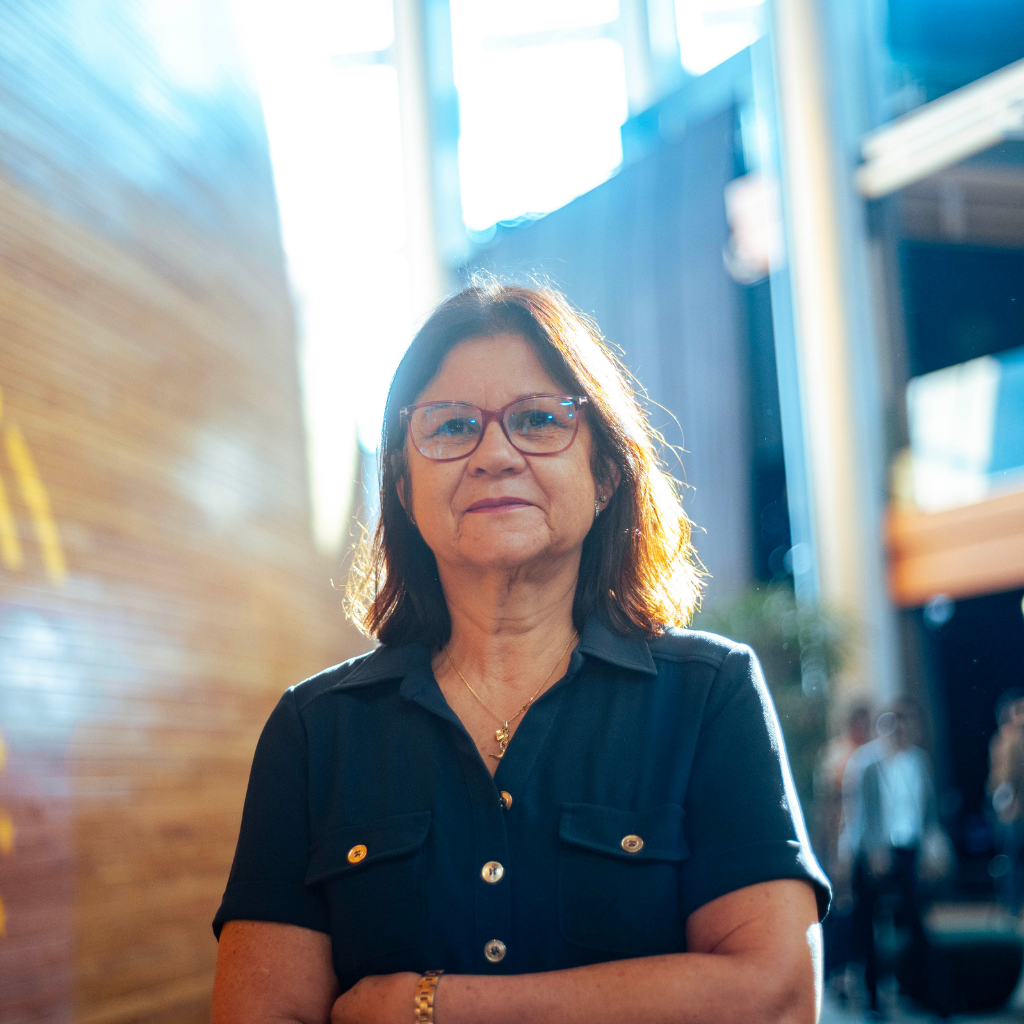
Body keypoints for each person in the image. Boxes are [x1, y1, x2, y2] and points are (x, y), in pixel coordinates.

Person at [210, 282, 830, 1024]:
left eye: (538, 420)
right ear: (404, 487)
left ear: (605, 474)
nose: (495, 455)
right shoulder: (315, 732)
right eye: (451, 427)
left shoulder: (709, 695)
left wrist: (429, 1007)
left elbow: (776, 999)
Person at [847, 701, 948, 1015]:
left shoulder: (918, 761)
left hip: (908, 849)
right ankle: (871, 996)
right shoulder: (867, 762)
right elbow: (861, 813)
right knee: (869, 923)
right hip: (876, 850)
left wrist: (931, 849)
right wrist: (873, 850)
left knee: (915, 920)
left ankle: (923, 992)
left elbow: (927, 810)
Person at [815, 701, 871, 991]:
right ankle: (834, 971)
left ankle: (855, 972)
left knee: (861, 907)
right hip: (840, 836)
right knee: (841, 904)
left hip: (865, 840)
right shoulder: (838, 754)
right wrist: (830, 845)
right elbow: (829, 803)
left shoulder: (872, 752)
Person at [987, 689, 1024, 912]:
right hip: (1009, 809)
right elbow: (1002, 777)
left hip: (1014, 809)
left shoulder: (1013, 740)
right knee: (1011, 857)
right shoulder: (1004, 740)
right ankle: (1012, 904)